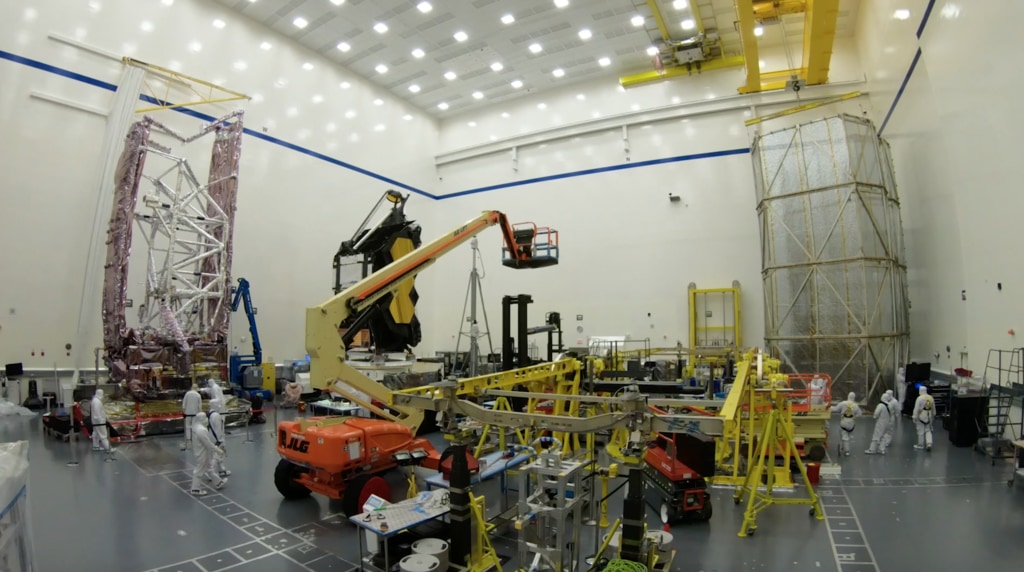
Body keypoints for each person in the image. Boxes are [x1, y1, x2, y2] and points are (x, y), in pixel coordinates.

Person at [190, 412, 227, 495]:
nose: (207, 420)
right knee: (199, 470)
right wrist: (218, 450)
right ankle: (195, 489)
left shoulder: (195, 427)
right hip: (202, 452)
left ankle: (218, 482)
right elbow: (208, 444)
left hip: (200, 450)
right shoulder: (201, 430)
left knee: (209, 468)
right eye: (205, 418)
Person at [831, 392, 862, 456]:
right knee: (847, 436)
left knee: (844, 436)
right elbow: (859, 414)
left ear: (848, 396)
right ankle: (843, 447)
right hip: (851, 424)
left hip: (843, 423)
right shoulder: (856, 405)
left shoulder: (843, 403)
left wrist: (829, 407)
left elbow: (835, 409)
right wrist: (854, 416)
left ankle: (846, 451)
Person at [913, 385, 936, 451]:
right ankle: (929, 443)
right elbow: (933, 408)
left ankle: (920, 445)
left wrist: (914, 416)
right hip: (929, 416)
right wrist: (934, 414)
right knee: (928, 430)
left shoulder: (919, 398)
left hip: (921, 417)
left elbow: (916, 409)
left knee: (920, 431)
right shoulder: (931, 398)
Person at [209, 409, 230, 477]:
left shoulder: (211, 414)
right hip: (217, 439)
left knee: (218, 456)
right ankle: (212, 472)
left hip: (213, 438)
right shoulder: (216, 416)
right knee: (216, 457)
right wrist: (220, 440)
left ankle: (221, 469)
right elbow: (218, 429)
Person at [181, 384, 202, 451]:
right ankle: (194, 438)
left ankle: (188, 438)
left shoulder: (187, 394)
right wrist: (199, 412)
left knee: (187, 426)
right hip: (195, 413)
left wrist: (183, 410)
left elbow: (184, 402)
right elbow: (199, 406)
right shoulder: (198, 395)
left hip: (188, 413)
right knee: (194, 426)